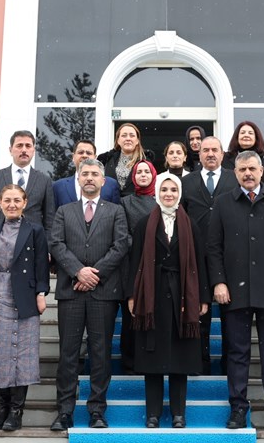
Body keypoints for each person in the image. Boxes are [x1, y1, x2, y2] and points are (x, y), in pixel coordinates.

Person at [207, 151, 264, 433]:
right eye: (242, 170)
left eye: (252, 169)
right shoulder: (223, 203)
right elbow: (213, 247)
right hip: (234, 292)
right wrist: (218, 282)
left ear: (261, 171)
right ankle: (238, 409)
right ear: (235, 173)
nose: (247, 173)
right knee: (237, 354)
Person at [49, 159, 130, 431]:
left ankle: (97, 411)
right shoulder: (64, 211)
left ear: (103, 181)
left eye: (95, 174)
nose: (90, 178)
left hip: (103, 293)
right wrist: (77, 272)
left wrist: (94, 274)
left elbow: (121, 245)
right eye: (85, 174)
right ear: (79, 179)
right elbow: (56, 243)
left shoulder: (116, 211)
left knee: (100, 353)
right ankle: (65, 412)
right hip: (70, 292)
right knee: (68, 354)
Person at [125, 172, 209, 429]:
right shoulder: (144, 224)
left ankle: (178, 414)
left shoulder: (191, 225)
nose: (168, 194)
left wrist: (203, 297)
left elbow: (200, 263)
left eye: (173, 190)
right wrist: (132, 295)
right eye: (164, 190)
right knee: (152, 357)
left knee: (180, 358)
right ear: (157, 193)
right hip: (152, 297)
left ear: (179, 194)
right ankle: (153, 414)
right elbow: (135, 261)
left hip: (183, 298)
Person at [0, 184, 50, 432]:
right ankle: (1, 409)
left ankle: (16, 412)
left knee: (22, 355)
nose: (12, 204)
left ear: (25, 203)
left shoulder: (35, 230)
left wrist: (41, 293)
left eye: (17, 200)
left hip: (23, 296)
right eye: (7, 200)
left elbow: (41, 265)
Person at [180, 136, 238, 373]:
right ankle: (200, 364)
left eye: (215, 149)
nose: (210, 154)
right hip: (197, 258)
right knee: (199, 313)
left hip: (231, 258)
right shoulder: (186, 181)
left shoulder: (235, 178)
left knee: (231, 318)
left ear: (223, 154)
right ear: (199, 154)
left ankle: (229, 366)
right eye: (206, 150)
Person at [0, 130, 55, 263]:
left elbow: (49, 220)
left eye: (28, 146)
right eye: (19, 146)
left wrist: (47, 249)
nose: (24, 150)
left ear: (33, 150)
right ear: (10, 150)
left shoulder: (44, 180)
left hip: (33, 245)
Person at [118, 160, 159, 373]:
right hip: (132, 265)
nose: (143, 175)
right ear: (133, 177)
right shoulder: (125, 203)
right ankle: (130, 361)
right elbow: (122, 233)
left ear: (154, 175)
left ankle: (152, 359)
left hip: (158, 265)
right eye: (139, 172)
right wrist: (144, 247)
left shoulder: (161, 200)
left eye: (147, 172)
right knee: (131, 316)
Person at [53, 139, 121, 206]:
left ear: (95, 157)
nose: (84, 155)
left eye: (89, 153)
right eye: (80, 152)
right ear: (73, 157)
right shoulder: (58, 187)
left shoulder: (111, 184)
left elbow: (115, 211)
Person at [99, 123, 155, 197]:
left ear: (137, 141)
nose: (128, 138)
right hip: (110, 202)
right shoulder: (107, 160)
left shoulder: (145, 162)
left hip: (135, 203)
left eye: (132, 135)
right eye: (124, 135)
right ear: (118, 140)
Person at [221, 121, 264, 186]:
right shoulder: (225, 158)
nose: (246, 135)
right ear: (237, 137)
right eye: (242, 133)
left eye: (250, 133)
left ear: (256, 137)